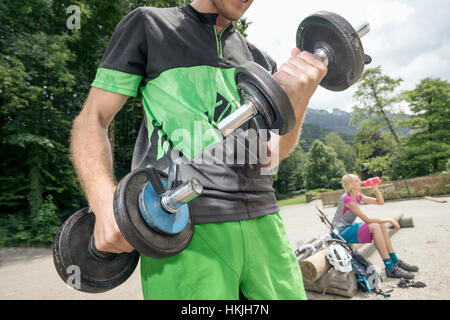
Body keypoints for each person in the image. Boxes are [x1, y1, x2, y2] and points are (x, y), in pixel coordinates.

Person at [69, 0, 327, 299]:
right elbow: (92, 119)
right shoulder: (148, 26)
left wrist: (300, 97)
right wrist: (103, 202)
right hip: (181, 229)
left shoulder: (259, 62)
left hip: (266, 228)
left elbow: (271, 156)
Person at [331, 174, 419, 279]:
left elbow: (380, 202)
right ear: (350, 185)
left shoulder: (357, 195)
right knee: (375, 226)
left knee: (380, 225)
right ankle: (390, 268)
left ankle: (395, 261)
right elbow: (367, 220)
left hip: (348, 227)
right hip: (340, 233)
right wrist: (389, 219)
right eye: (357, 181)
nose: (361, 182)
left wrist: (376, 190)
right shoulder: (348, 199)